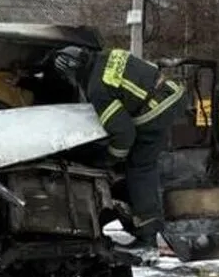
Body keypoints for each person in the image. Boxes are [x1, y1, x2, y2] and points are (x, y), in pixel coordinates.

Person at [53, 46, 187, 253]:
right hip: (171, 93)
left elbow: (124, 134)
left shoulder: (97, 89)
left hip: (156, 110)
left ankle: (147, 239)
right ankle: (143, 223)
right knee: (141, 163)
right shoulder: (108, 56)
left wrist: (110, 159)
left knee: (139, 168)